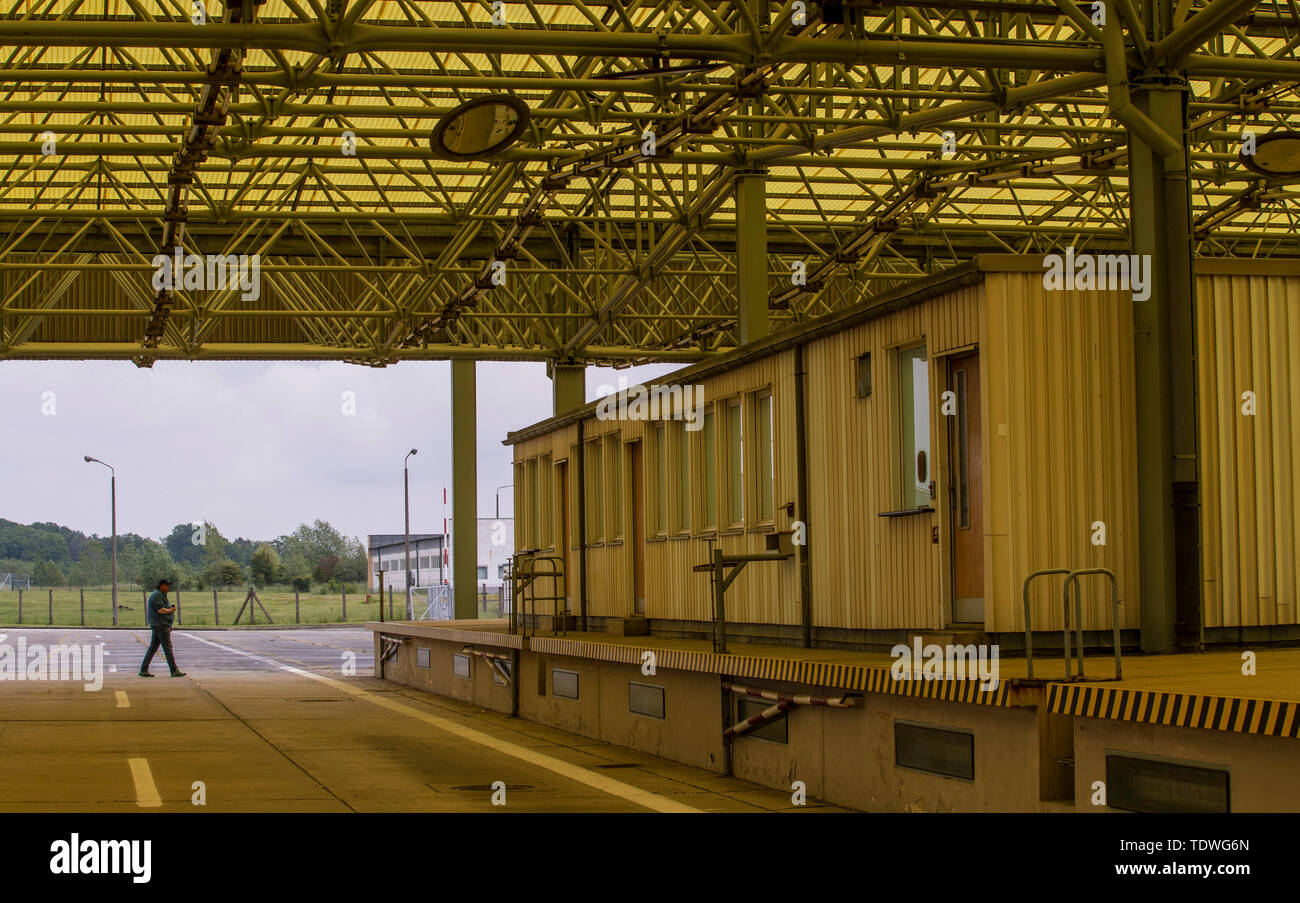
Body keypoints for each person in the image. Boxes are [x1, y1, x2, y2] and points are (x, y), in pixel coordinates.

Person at [139, 578, 186, 677]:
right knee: (167, 648)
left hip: (161, 625)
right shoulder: (157, 595)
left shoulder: (161, 595)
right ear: (161, 585)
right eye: (167, 585)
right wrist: (171, 610)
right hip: (160, 625)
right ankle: (174, 670)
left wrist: (169, 624)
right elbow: (160, 610)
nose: (168, 587)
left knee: (153, 647)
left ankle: (143, 669)